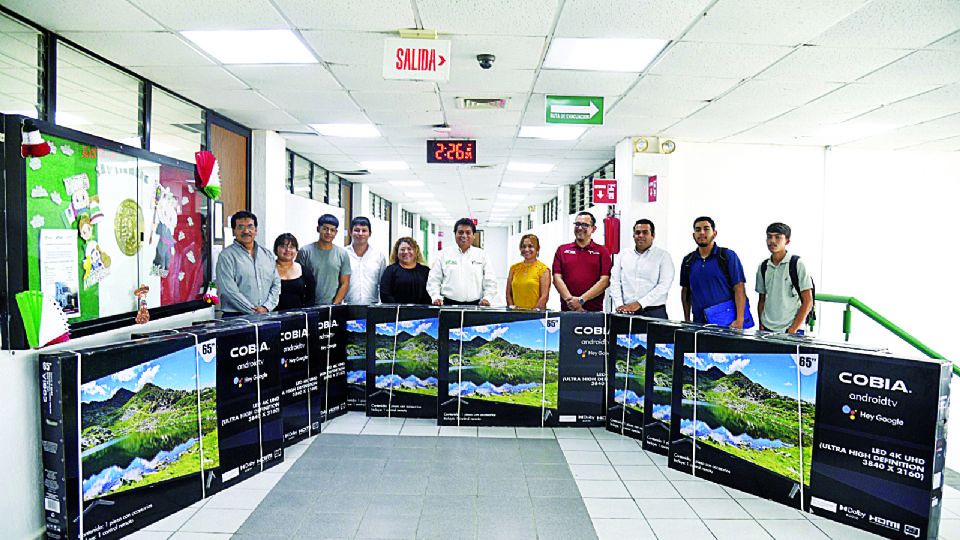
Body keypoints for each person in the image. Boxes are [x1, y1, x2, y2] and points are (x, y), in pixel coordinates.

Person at [680, 216, 750, 328]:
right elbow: (686, 292)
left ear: (715, 233)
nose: (701, 232)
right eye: (698, 230)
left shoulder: (727, 256)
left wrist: (739, 320)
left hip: (728, 324)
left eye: (706, 229)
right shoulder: (688, 261)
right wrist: (687, 320)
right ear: (694, 235)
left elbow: (739, 288)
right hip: (699, 323)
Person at [216, 210, 281, 316]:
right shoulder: (226, 256)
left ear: (256, 230)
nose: (246, 231)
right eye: (241, 227)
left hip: (266, 314)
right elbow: (228, 290)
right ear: (233, 231)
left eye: (250, 227)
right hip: (236, 316)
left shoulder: (267, 255)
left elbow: (276, 284)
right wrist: (253, 310)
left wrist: (266, 307)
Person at [756, 222, 814, 334]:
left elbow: (808, 301)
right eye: (769, 237)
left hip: (791, 330)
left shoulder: (797, 264)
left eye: (778, 237)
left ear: (787, 241)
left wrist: (792, 330)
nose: (772, 241)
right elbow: (762, 299)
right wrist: (761, 324)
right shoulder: (763, 267)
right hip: (768, 329)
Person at [610, 219, 674, 318]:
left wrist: (639, 304)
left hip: (654, 312)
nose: (640, 236)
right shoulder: (623, 255)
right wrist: (619, 305)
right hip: (625, 312)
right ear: (633, 235)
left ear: (653, 235)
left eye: (645, 232)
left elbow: (663, 286)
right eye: (637, 233)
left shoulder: (663, 256)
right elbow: (615, 281)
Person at [426, 218, 496, 306]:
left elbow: (490, 281)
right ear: (455, 234)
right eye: (460, 232)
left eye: (468, 232)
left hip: (476, 305)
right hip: (448, 305)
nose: (464, 236)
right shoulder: (443, 255)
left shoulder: (482, 255)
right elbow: (434, 280)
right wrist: (436, 297)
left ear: (473, 235)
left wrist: (487, 298)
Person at [552, 211, 612, 312]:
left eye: (584, 225)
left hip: (593, 312)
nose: (579, 228)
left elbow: (605, 281)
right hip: (567, 311)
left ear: (593, 229)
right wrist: (571, 302)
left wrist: (581, 300)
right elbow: (557, 278)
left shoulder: (602, 251)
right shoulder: (562, 250)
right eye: (577, 224)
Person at [296, 214, 351, 305]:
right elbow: (298, 279)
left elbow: (345, 283)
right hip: (308, 305)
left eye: (332, 230)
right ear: (318, 229)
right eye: (325, 229)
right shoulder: (305, 251)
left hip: (332, 306)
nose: (328, 232)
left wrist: (334, 305)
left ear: (336, 233)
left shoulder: (342, 254)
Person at [344, 216, 387, 305]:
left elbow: (383, 285)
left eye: (364, 230)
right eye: (357, 230)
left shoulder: (379, 256)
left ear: (370, 233)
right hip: (347, 307)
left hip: (372, 307)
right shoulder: (343, 254)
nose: (360, 234)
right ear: (350, 233)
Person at [380, 237, 432, 304]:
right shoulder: (390, 271)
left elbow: (431, 293)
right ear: (397, 252)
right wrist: (399, 308)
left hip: (422, 310)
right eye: (402, 249)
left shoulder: (425, 271)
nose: (406, 252)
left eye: (409, 249)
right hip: (397, 310)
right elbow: (385, 295)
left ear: (416, 251)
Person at [506, 233, 550, 310]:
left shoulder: (543, 270)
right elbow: (508, 294)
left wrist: (533, 314)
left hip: (535, 315)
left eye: (530, 246)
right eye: (523, 246)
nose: (526, 249)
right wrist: (512, 310)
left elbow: (544, 297)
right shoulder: (514, 268)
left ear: (537, 248)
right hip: (515, 314)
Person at [274, 233, 316, 310]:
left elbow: (310, 298)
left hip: (298, 315)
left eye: (292, 247)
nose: (288, 250)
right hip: (272, 315)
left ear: (296, 250)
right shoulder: (268, 270)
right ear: (276, 249)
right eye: (283, 246)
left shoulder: (304, 271)